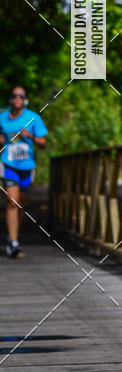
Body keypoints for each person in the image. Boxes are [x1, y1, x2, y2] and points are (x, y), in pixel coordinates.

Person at [0, 86, 48, 258]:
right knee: (12, 201)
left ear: (25, 99)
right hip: (9, 164)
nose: (17, 98)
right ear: (11, 99)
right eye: (14, 96)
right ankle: (13, 243)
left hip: (27, 167)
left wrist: (30, 136)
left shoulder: (33, 118)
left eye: (21, 96)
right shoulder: (2, 118)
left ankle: (14, 234)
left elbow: (43, 143)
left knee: (21, 204)